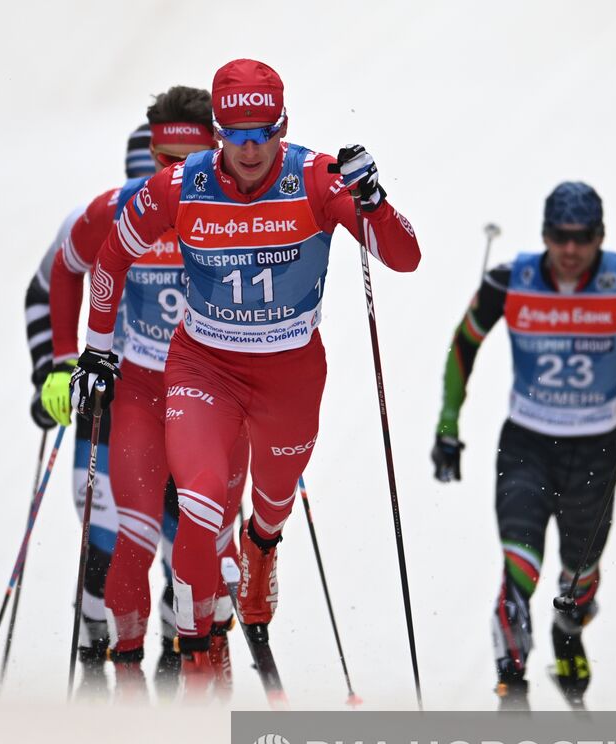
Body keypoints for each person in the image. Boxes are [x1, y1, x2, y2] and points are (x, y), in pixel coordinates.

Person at [72, 59, 420, 693]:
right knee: (201, 506)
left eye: (264, 132)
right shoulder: (181, 185)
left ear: (283, 127)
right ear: (218, 134)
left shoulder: (319, 178)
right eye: (236, 133)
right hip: (204, 366)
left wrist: (376, 201)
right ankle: (200, 653)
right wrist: (97, 351)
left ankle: (264, 547)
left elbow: (406, 258)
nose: (251, 147)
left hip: (289, 372)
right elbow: (107, 258)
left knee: (271, 502)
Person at [433, 182, 616, 709]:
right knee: (519, 567)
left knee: (580, 572)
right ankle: (512, 679)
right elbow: (464, 345)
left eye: (583, 238)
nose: (571, 250)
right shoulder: (512, 281)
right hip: (527, 444)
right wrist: (448, 425)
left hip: (595, 450)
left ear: (600, 237)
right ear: (544, 235)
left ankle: (568, 629)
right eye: (560, 237)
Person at [44, 86, 247, 699]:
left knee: (210, 541)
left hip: (215, 393)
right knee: (130, 539)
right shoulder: (121, 206)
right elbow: (63, 268)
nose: (177, 176)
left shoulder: (242, 208)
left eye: (192, 159)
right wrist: (60, 363)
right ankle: (127, 684)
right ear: (151, 155)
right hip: (139, 391)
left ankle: (202, 668)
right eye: (164, 162)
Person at [22, 123, 180, 697]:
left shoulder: (213, 217)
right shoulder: (104, 218)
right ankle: (94, 655)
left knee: (185, 544)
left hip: (191, 404)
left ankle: (174, 661)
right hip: (112, 402)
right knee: (108, 542)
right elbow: (44, 288)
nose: (155, 189)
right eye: (144, 176)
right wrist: (53, 370)